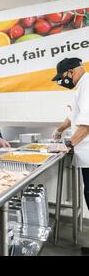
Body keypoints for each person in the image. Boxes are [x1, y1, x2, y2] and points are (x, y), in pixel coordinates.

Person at [51, 58, 89, 248]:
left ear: (71, 71)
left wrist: (67, 145)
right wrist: (59, 130)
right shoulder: (81, 88)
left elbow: (86, 124)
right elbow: (74, 116)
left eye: (63, 77)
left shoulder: (87, 86)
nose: (62, 81)